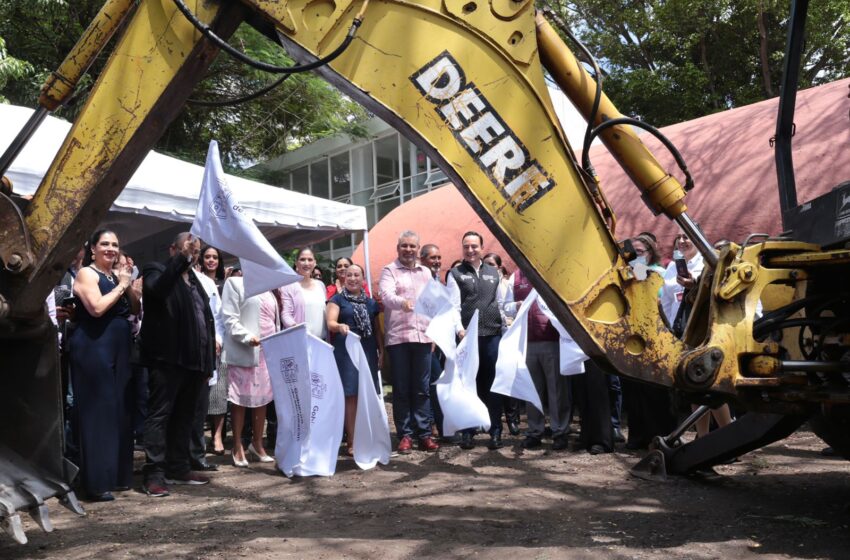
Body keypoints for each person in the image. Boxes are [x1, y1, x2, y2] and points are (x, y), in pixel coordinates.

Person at [139, 232, 215, 497]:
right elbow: (157, 290)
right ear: (173, 249)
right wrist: (182, 258)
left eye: (195, 251)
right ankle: (154, 473)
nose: (193, 254)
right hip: (167, 359)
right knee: (160, 415)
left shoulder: (195, 280)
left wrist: (209, 364)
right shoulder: (155, 269)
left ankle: (179, 467)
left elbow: (206, 321)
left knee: (186, 417)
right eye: (188, 249)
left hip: (194, 362)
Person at [69, 230, 141, 501]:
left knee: (121, 410)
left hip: (121, 347)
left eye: (115, 245)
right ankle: (96, 482)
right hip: (94, 347)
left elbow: (134, 310)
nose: (111, 249)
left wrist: (128, 283)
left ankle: (118, 475)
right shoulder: (87, 274)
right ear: (93, 248)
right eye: (105, 244)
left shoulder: (117, 277)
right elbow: (97, 308)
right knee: (98, 413)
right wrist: (122, 286)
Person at [379, 231, 439, 453]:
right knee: (402, 389)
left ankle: (424, 434)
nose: (408, 250)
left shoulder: (425, 272)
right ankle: (405, 435)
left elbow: (432, 303)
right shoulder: (389, 270)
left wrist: (433, 334)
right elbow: (385, 295)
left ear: (418, 249)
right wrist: (402, 302)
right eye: (404, 246)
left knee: (422, 389)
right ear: (398, 248)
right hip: (399, 338)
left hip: (423, 336)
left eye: (412, 246)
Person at [447, 231, 505, 450]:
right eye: (466, 246)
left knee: (493, 385)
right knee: (467, 385)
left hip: (492, 336)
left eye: (474, 246)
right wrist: (459, 329)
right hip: (468, 338)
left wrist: (508, 322)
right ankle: (468, 432)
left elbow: (500, 303)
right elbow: (453, 305)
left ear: (482, 247)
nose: (470, 250)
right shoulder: (455, 273)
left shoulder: (493, 272)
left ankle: (495, 431)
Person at [504, 267, 572, 451]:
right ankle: (535, 432)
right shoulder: (516, 276)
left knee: (557, 389)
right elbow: (506, 306)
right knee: (531, 390)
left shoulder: (552, 271)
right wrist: (516, 306)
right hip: (527, 342)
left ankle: (560, 432)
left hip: (552, 339)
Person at [621, 234, 678, 449]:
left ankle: (663, 435)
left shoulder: (660, 274)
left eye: (640, 253)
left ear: (651, 252)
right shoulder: (628, 276)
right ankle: (638, 436)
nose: (636, 257)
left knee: (658, 391)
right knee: (635, 392)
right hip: (633, 337)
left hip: (657, 337)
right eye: (633, 254)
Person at [326, 264, 383, 455]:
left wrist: (381, 351)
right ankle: (351, 441)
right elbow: (330, 323)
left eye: (356, 275)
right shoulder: (337, 299)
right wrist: (339, 326)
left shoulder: (370, 303)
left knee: (367, 394)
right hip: (346, 350)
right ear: (344, 278)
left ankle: (367, 436)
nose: (352, 278)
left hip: (367, 349)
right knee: (351, 396)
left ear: (362, 278)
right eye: (348, 275)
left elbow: (377, 330)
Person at [221, 276, 278, 467]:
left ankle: (257, 443)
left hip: (267, 351)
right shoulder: (235, 283)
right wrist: (247, 337)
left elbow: (273, 320)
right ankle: (237, 446)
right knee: (240, 399)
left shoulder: (268, 287)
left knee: (262, 398)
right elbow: (229, 318)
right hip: (246, 348)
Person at [482, 252, 520, 436]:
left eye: (491, 264)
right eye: (485, 264)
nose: (488, 267)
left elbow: (509, 306)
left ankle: (513, 419)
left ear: (499, 267)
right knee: (493, 379)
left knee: (508, 377)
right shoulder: (483, 285)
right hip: (491, 335)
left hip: (507, 334)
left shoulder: (506, 285)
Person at [197, 245, 228, 457]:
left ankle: (217, 437)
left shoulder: (226, 284)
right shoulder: (196, 281)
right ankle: (198, 436)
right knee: (201, 394)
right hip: (201, 344)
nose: (211, 260)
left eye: (214, 257)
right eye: (207, 257)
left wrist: (219, 339)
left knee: (219, 392)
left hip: (222, 343)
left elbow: (223, 317)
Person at [420, 243, 446, 438]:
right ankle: (430, 426)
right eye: (432, 258)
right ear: (422, 260)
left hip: (441, 340)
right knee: (430, 384)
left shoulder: (438, 281)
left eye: (438, 258)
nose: (437, 261)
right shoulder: (421, 281)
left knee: (438, 383)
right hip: (424, 340)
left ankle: (440, 424)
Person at [280, 248, 327, 340]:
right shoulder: (288, 286)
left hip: (322, 342)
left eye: (310, 259)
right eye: (302, 259)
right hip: (300, 340)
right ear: (296, 263)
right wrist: (295, 327)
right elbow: (285, 314)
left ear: (315, 263)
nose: (306, 263)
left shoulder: (320, 285)